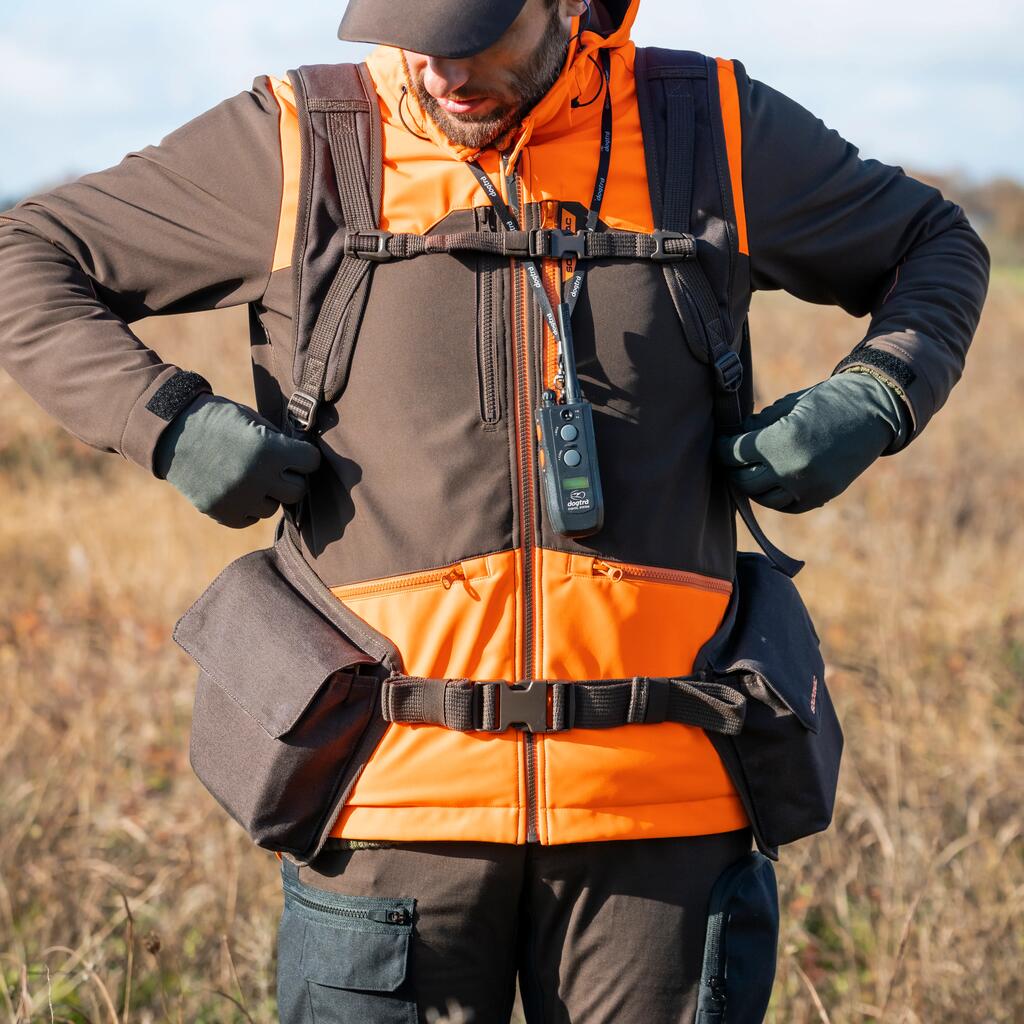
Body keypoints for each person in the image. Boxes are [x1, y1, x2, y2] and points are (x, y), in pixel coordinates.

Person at [0, 0, 989, 1020]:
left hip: (663, 814)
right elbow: (22, 255)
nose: (441, 70)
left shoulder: (708, 128)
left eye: (477, 35)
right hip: (385, 808)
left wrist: (875, 397)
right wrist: (165, 421)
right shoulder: (306, 139)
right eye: (414, 37)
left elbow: (934, 241)